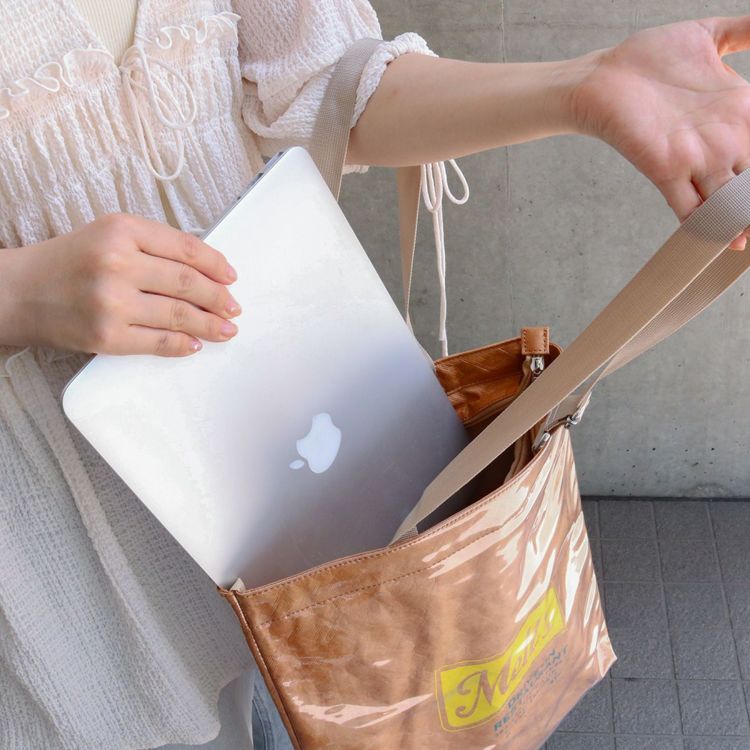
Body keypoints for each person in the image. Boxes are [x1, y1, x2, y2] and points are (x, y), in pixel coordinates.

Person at [1, 2, 749, 748]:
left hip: (277, 433)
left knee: (297, 689)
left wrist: (586, 84)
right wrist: (20, 293)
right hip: (58, 517)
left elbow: (335, 90)